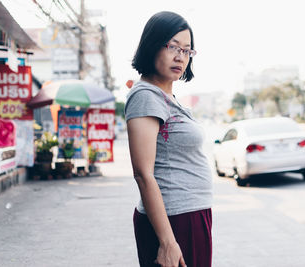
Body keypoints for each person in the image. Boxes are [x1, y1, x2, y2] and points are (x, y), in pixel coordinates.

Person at [125, 11, 213, 267]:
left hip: (188, 214)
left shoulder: (165, 97)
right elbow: (143, 173)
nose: (180, 57)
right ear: (152, 45)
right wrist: (167, 242)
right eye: (172, 46)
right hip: (176, 220)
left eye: (187, 50)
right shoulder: (145, 96)